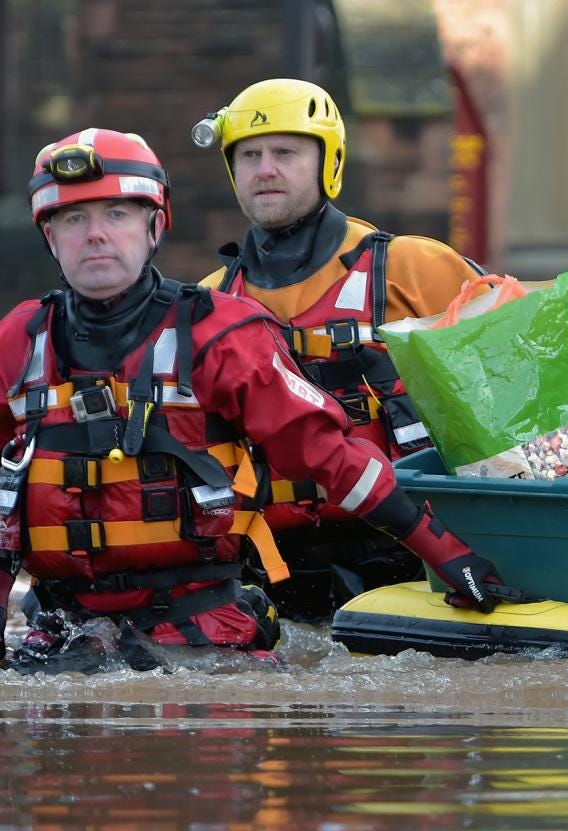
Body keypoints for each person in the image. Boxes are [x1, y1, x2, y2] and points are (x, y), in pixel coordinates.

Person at [0, 127, 511, 672]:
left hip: (200, 629)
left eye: (117, 215)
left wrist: (450, 555)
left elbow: (331, 457)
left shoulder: (219, 332)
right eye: (73, 219)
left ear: (154, 226)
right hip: (60, 629)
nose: (95, 235)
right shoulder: (17, 341)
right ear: (50, 237)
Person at [193, 79, 485, 622]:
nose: (265, 169)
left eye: (285, 152)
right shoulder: (209, 304)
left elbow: (518, 394)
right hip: (275, 571)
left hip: (414, 554)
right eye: (249, 155)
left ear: (329, 160)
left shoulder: (414, 269)